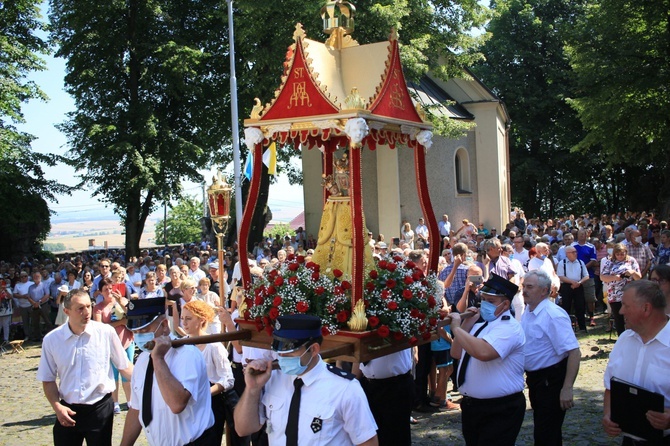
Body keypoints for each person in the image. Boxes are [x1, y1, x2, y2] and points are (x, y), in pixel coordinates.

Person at [234, 314, 379, 445]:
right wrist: (252, 389)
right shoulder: (272, 379)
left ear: (313, 349)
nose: (282, 358)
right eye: (280, 352)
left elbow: (367, 442)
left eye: (290, 352)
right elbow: (243, 429)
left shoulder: (344, 388)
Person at [37, 289, 133, 446]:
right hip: (67, 409)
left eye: (89, 306)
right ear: (66, 311)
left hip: (100, 408)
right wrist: (57, 407)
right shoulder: (52, 340)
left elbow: (124, 366)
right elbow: (48, 379)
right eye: (80, 308)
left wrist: (151, 380)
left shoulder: (105, 332)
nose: (87, 312)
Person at [120, 298, 215, 446]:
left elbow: (177, 404)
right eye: (135, 332)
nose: (139, 336)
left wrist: (158, 359)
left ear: (164, 325)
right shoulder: (143, 360)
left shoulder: (188, 354)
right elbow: (137, 409)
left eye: (144, 330)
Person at [450, 274, 526, 446]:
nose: (484, 304)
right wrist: (467, 324)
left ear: (505, 304)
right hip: (473, 407)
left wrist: (455, 328)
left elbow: (484, 352)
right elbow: (456, 353)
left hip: (500, 409)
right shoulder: (481, 325)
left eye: (490, 301)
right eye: (482, 299)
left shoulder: (509, 327)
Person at [602, 280, 670, 444]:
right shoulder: (625, 339)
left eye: (626, 305)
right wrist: (607, 415)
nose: (621, 311)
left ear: (646, 308)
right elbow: (611, 387)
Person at [521, 270, 581, 446]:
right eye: (524, 286)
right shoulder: (529, 311)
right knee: (545, 430)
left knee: (546, 432)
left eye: (530, 287)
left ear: (544, 290)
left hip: (551, 380)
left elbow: (574, 352)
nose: (524, 290)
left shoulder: (553, 314)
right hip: (536, 380)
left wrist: (567, 388)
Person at [180, 299, 236, 446]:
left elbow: (228, 379)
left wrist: (206, 393)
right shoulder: (180, 345)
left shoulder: (213, 346)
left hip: (211, 402)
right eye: (182, 319)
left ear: (201, 320)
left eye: (188, 318)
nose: (184, 323)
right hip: (187, 402)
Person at [94, 278, 134, 415]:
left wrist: (122, 303)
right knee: (114, 375)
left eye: (111, 288)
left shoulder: (121, 302)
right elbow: (100, 327)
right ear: (101, 292)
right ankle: (115, 402)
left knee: (128, 374)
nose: (109, 291)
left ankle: (130, 401)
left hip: (127, 340)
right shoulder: (98, 308)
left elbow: (131, 317)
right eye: (106, 289)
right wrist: (120, 322)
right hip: (110, 345)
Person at [600, 243, 641, 336]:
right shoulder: (609, 262)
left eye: (622, 254)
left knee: (631, 317)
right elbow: (602, 277)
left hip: (630, 294)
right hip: (614, 294)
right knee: (619, 318)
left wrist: (632, 272)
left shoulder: (631, 261)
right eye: (618, 254)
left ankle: (634, 337)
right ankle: (621, 339)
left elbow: (639, 277)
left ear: (626, 253)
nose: (620, 256)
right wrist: (615, 277)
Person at [557, 246, 590, 333]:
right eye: (573, 252)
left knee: (580, 306)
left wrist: (579, 283)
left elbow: (586, 276)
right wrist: (572, 282)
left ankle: (582, 327)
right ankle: (565, 328)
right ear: (567, 254)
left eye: (575, 252)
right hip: (566, 287)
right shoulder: (562, 263)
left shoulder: (580, 262)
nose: (575, 253)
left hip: (579, 286)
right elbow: (560, 276)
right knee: (566, 307)